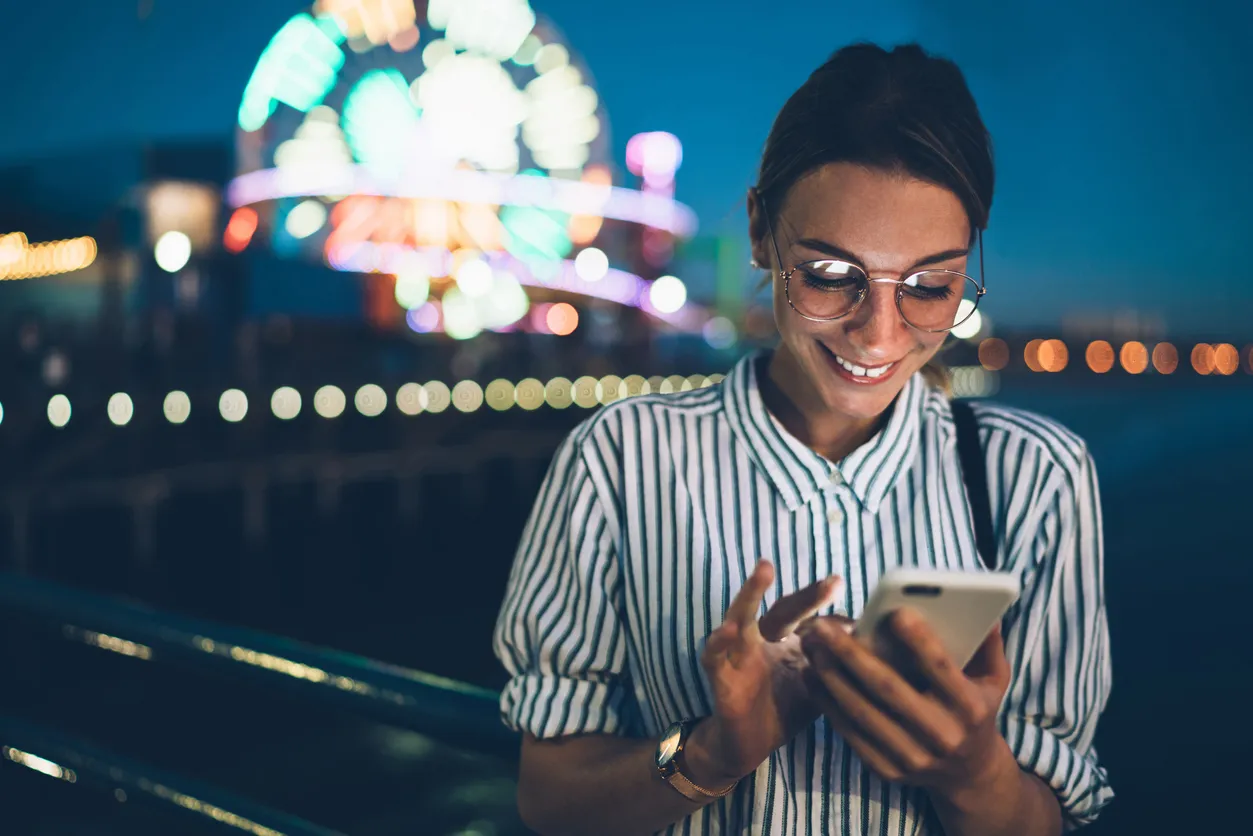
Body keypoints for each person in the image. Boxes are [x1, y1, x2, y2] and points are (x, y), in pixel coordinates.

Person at [492, 42, 1112, 836]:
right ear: (760, 231)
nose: (877, 334)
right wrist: (712, 754)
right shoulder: (617, 461)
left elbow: (1045, 815)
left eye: (930, 288)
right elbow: (549, 799)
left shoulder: (1036, 478)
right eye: (828, 277)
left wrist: (974, 774)